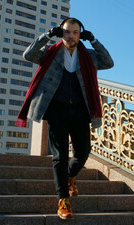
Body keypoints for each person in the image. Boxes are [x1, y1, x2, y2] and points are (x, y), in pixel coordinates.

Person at [15, 18, 114, 220]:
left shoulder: (90, 56)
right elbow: (29, 54)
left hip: (80, 111)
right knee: (59, 156)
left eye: (76, 32)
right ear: (62, 33)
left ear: (80, 34)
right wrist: (46, 36)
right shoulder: (51, 52)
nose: (71, 36)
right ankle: (63, 200)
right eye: (67, 32)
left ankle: (71, 176)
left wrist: (94, 40)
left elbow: (108, 62)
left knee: (83, 152)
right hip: (57, 110)